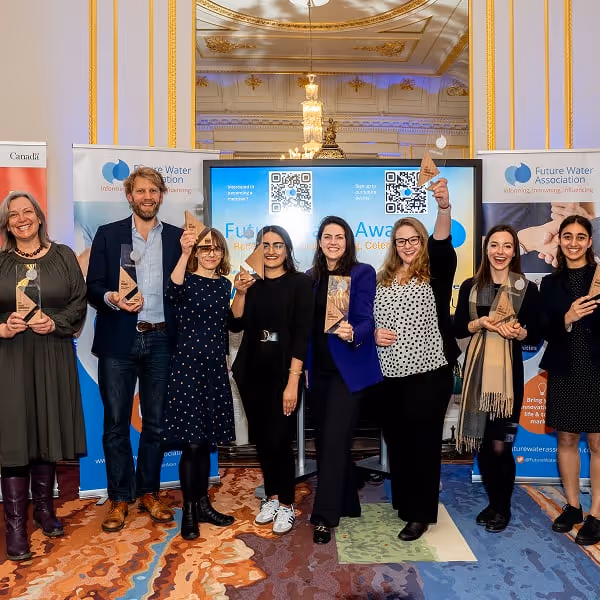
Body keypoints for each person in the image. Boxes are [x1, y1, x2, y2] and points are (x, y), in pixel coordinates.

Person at [86, 166, 181, 533]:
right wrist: (112, 297)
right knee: (115, 425)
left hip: (161, 340)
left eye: (153, 190)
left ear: (161, 195)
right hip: (119, 340)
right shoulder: (109, 236)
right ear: (129, 196)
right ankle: (119, 498)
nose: (147, 196)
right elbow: (93, 287)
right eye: (140, 191)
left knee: (156, 423)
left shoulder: (176, 238)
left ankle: (149, 492)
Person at [0, 191, 87, 561]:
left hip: (51, 352)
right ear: (7, 224)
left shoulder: (64, 255)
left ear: (39, 216)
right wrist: (2, 327)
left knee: (46, 431)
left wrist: (55, 322)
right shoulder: (0, 263)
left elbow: (78, 303)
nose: (21, 218)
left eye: (27, 211)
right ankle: (16, 526)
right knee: (17, 436)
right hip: (11, 356)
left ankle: (45, 509)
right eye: (13, 214)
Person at [373, 178, 459, 541]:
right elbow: (369, 319)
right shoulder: (382, 278)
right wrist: (374, 333)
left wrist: (443, 208)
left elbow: (442, 242)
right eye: (401, 241)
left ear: (422, 242)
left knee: (422, 444)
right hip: (388, 377)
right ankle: (406, 503)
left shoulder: (434, 272)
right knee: (398, 442)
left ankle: (420, 514)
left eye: (414, 240)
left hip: (428, 375)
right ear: (393, 246)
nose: (407, 246)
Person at [453, 224, 541, 533]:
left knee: (501, 446)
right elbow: (459, 328)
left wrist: (521, 332)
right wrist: (480, 322)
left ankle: (502, 508)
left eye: (506, 246)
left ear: (514, 252)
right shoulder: (470, 286)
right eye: (494, 245)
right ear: (486, 249)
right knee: (483, 445)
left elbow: (537, 332)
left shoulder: (526, 288)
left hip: (508, 381)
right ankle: (492, 502)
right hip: (476, 375)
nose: (500, 252)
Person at [229, 226, 314, 535]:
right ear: (258, 248)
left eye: (279, 245)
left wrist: (293, 383)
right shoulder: (251, 284)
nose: (272, 250)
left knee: (280, 441)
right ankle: (272, 497)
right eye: (265, 245)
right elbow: (234, 322)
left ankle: (288, 505)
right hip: (252, 373)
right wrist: (239, 292)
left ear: (288, 250)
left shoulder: (301, 284)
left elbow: (302, 335)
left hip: (283, 374)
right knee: (263, 441)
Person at [307, 216, 383, 545]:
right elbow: (307, 332)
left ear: (348, 241)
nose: (333, 242)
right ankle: (348, 501)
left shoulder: (361, 272)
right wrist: (306, 368)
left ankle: (323, 517)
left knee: (335, 440)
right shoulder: (310, 278)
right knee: (326, 442)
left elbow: (367, 319)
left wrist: (355, 333)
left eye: (340, 237)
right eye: (328, 236)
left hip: (348, 372)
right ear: (320, 242)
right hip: (319, 372)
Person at [162, 226, 236, 540]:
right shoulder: (185, 278)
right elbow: (171, 292)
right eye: (204, 247)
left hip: (214, 371)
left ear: (222, 253)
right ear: (196, 251)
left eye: (216, 248)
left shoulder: (223, 286)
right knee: (192, 444)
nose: (210, 252)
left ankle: (203, 503)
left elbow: (230, 325)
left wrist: (243, 294)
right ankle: (190, 511)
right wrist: (183, 252)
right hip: (187, 369)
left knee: (206, 441)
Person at [539, 215, 600, 546]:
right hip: (565, 369)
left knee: (598, 443)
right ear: (559, 241)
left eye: (580, 237)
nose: (573, 243)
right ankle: (574, 507)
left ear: (589, 242)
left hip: (597, 369)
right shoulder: (549, 284)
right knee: (566, 439)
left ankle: (597, 515)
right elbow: (543, 329)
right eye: (567, 236)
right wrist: (567, 317)